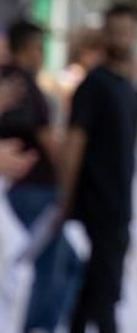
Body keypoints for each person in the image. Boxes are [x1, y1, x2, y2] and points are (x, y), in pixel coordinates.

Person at [56, 2, 137, 333]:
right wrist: (65, 197)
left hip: (119, 203)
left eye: (127, 31)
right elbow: (75, 141)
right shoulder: (94, 85)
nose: (121, 38)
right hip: (98, 203)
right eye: (115, 31)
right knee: (105, 292)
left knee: (95, 289)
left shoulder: (127, 89)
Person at [1, 19, 80, 333]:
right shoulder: (22, 84)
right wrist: (69, 179)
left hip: (22, 188)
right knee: (52, 265)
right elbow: (48, 142)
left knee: (57, 263)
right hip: (31, 190)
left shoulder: (13, 83)